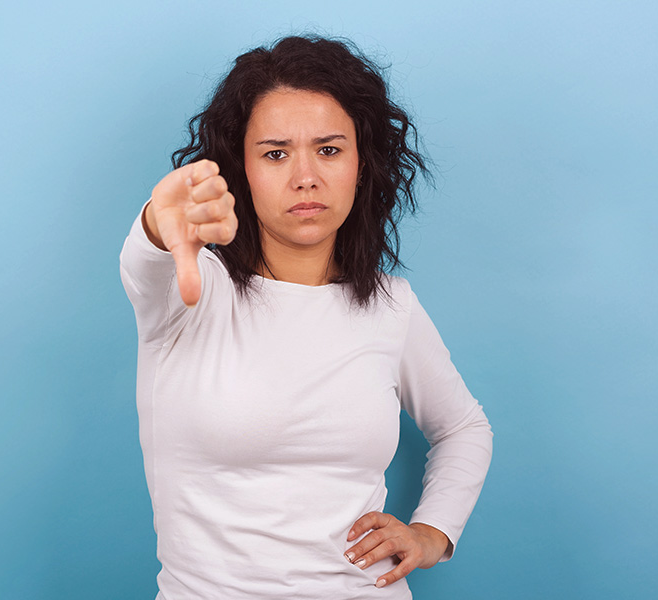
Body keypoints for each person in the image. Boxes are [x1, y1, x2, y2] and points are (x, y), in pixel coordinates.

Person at [120, 35, 492, 600]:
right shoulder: (188, 292)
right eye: (275, 153)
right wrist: (156, 221)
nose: (305, 177)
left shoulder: (391, 306)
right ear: (238, 170)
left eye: (329, 149)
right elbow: (146, 260)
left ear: (362, 165)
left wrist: (432, 532)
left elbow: (464, 427)